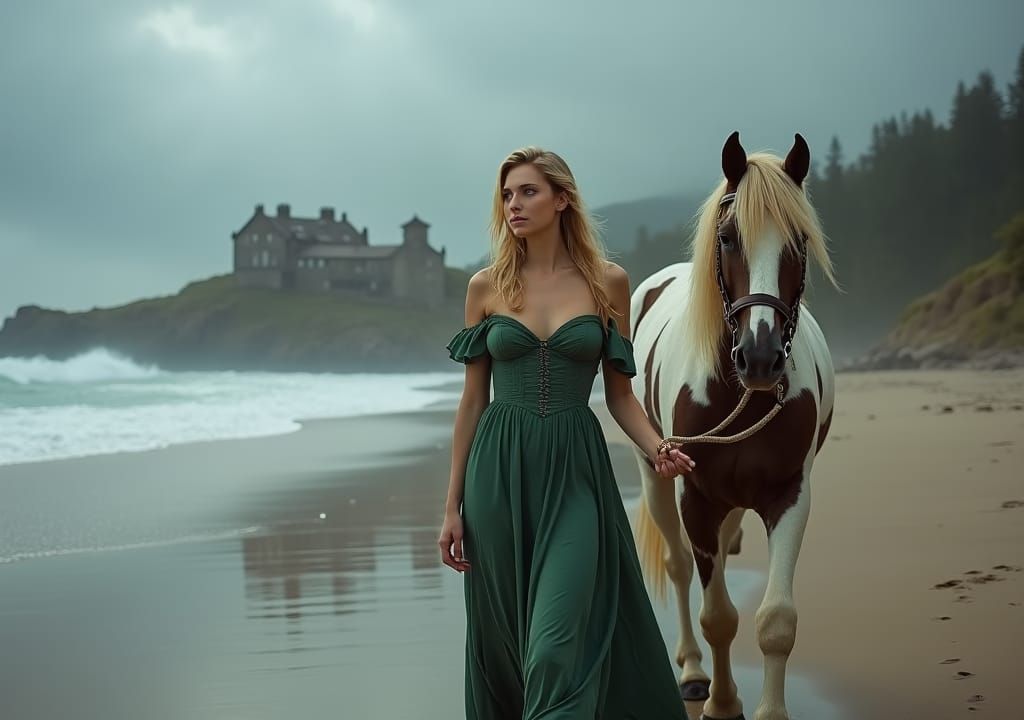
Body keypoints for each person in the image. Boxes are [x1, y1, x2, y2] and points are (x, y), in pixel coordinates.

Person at [439, 146, 695, 720]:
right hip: (496, 479)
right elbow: (473, 400)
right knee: (510, 649)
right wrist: (452, 504)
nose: (514, 204)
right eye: (507, 194)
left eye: (527, 191)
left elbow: (620, 395)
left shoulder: (609, 283)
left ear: (562, 198)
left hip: (577, 475)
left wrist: (658, 448)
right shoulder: (486, 286)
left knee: (556, 645)